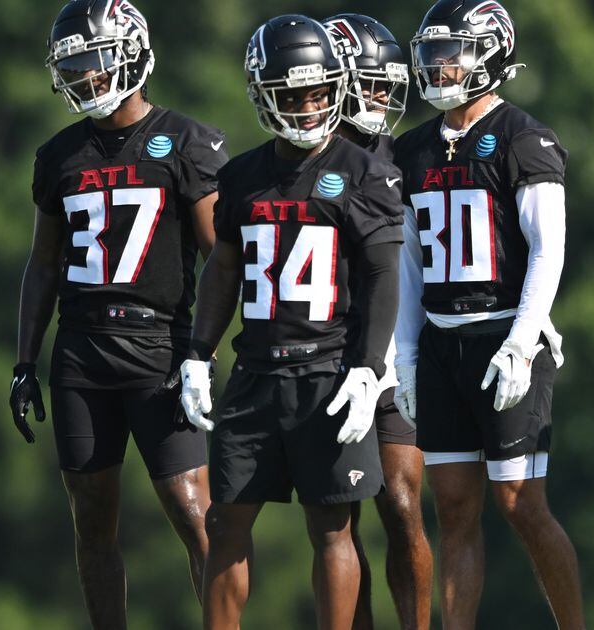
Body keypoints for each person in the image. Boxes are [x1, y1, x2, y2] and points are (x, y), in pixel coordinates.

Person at [172, 15, 403, 630]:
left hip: (328, 372)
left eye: (320, 92)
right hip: (255, 371)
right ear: (261, 94)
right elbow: (223, 269)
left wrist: (367, 368)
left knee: (331, 525)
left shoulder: (365, 172)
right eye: (293, 94)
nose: (309, 107)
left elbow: (384, 277)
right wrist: (198, 352)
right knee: (225, 520)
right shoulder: (242, 175)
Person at [9, 0, 226, 627]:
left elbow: (223, 261)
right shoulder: (59, 155)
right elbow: (43, 265)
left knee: (196, 516)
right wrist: (25, 360)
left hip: (161, 348)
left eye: (94, 63)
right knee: (91, 523)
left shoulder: (186, 141)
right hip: (81, 351)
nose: (83, 80)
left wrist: (202, 354)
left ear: (132, 53)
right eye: (72, 67)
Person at [391, 1, 584, 627]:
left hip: (506, 332)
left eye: (455, 52)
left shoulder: (525, 137)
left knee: (520, 502)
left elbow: (548, 250)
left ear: (492, 54)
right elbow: (410, 262)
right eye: (433, 53)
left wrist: (523, 340)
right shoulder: (412, 149)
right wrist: (408, 353)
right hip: (444, 340)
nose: (440, 66)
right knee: (451, 507)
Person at [323, 13, 434, 630]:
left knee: (400, 499)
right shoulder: (296, 161)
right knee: (339, 514)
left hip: (393, 353)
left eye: (386, 86)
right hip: (321, 349)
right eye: (365, 85)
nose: (379, 100)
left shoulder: (407, 157)